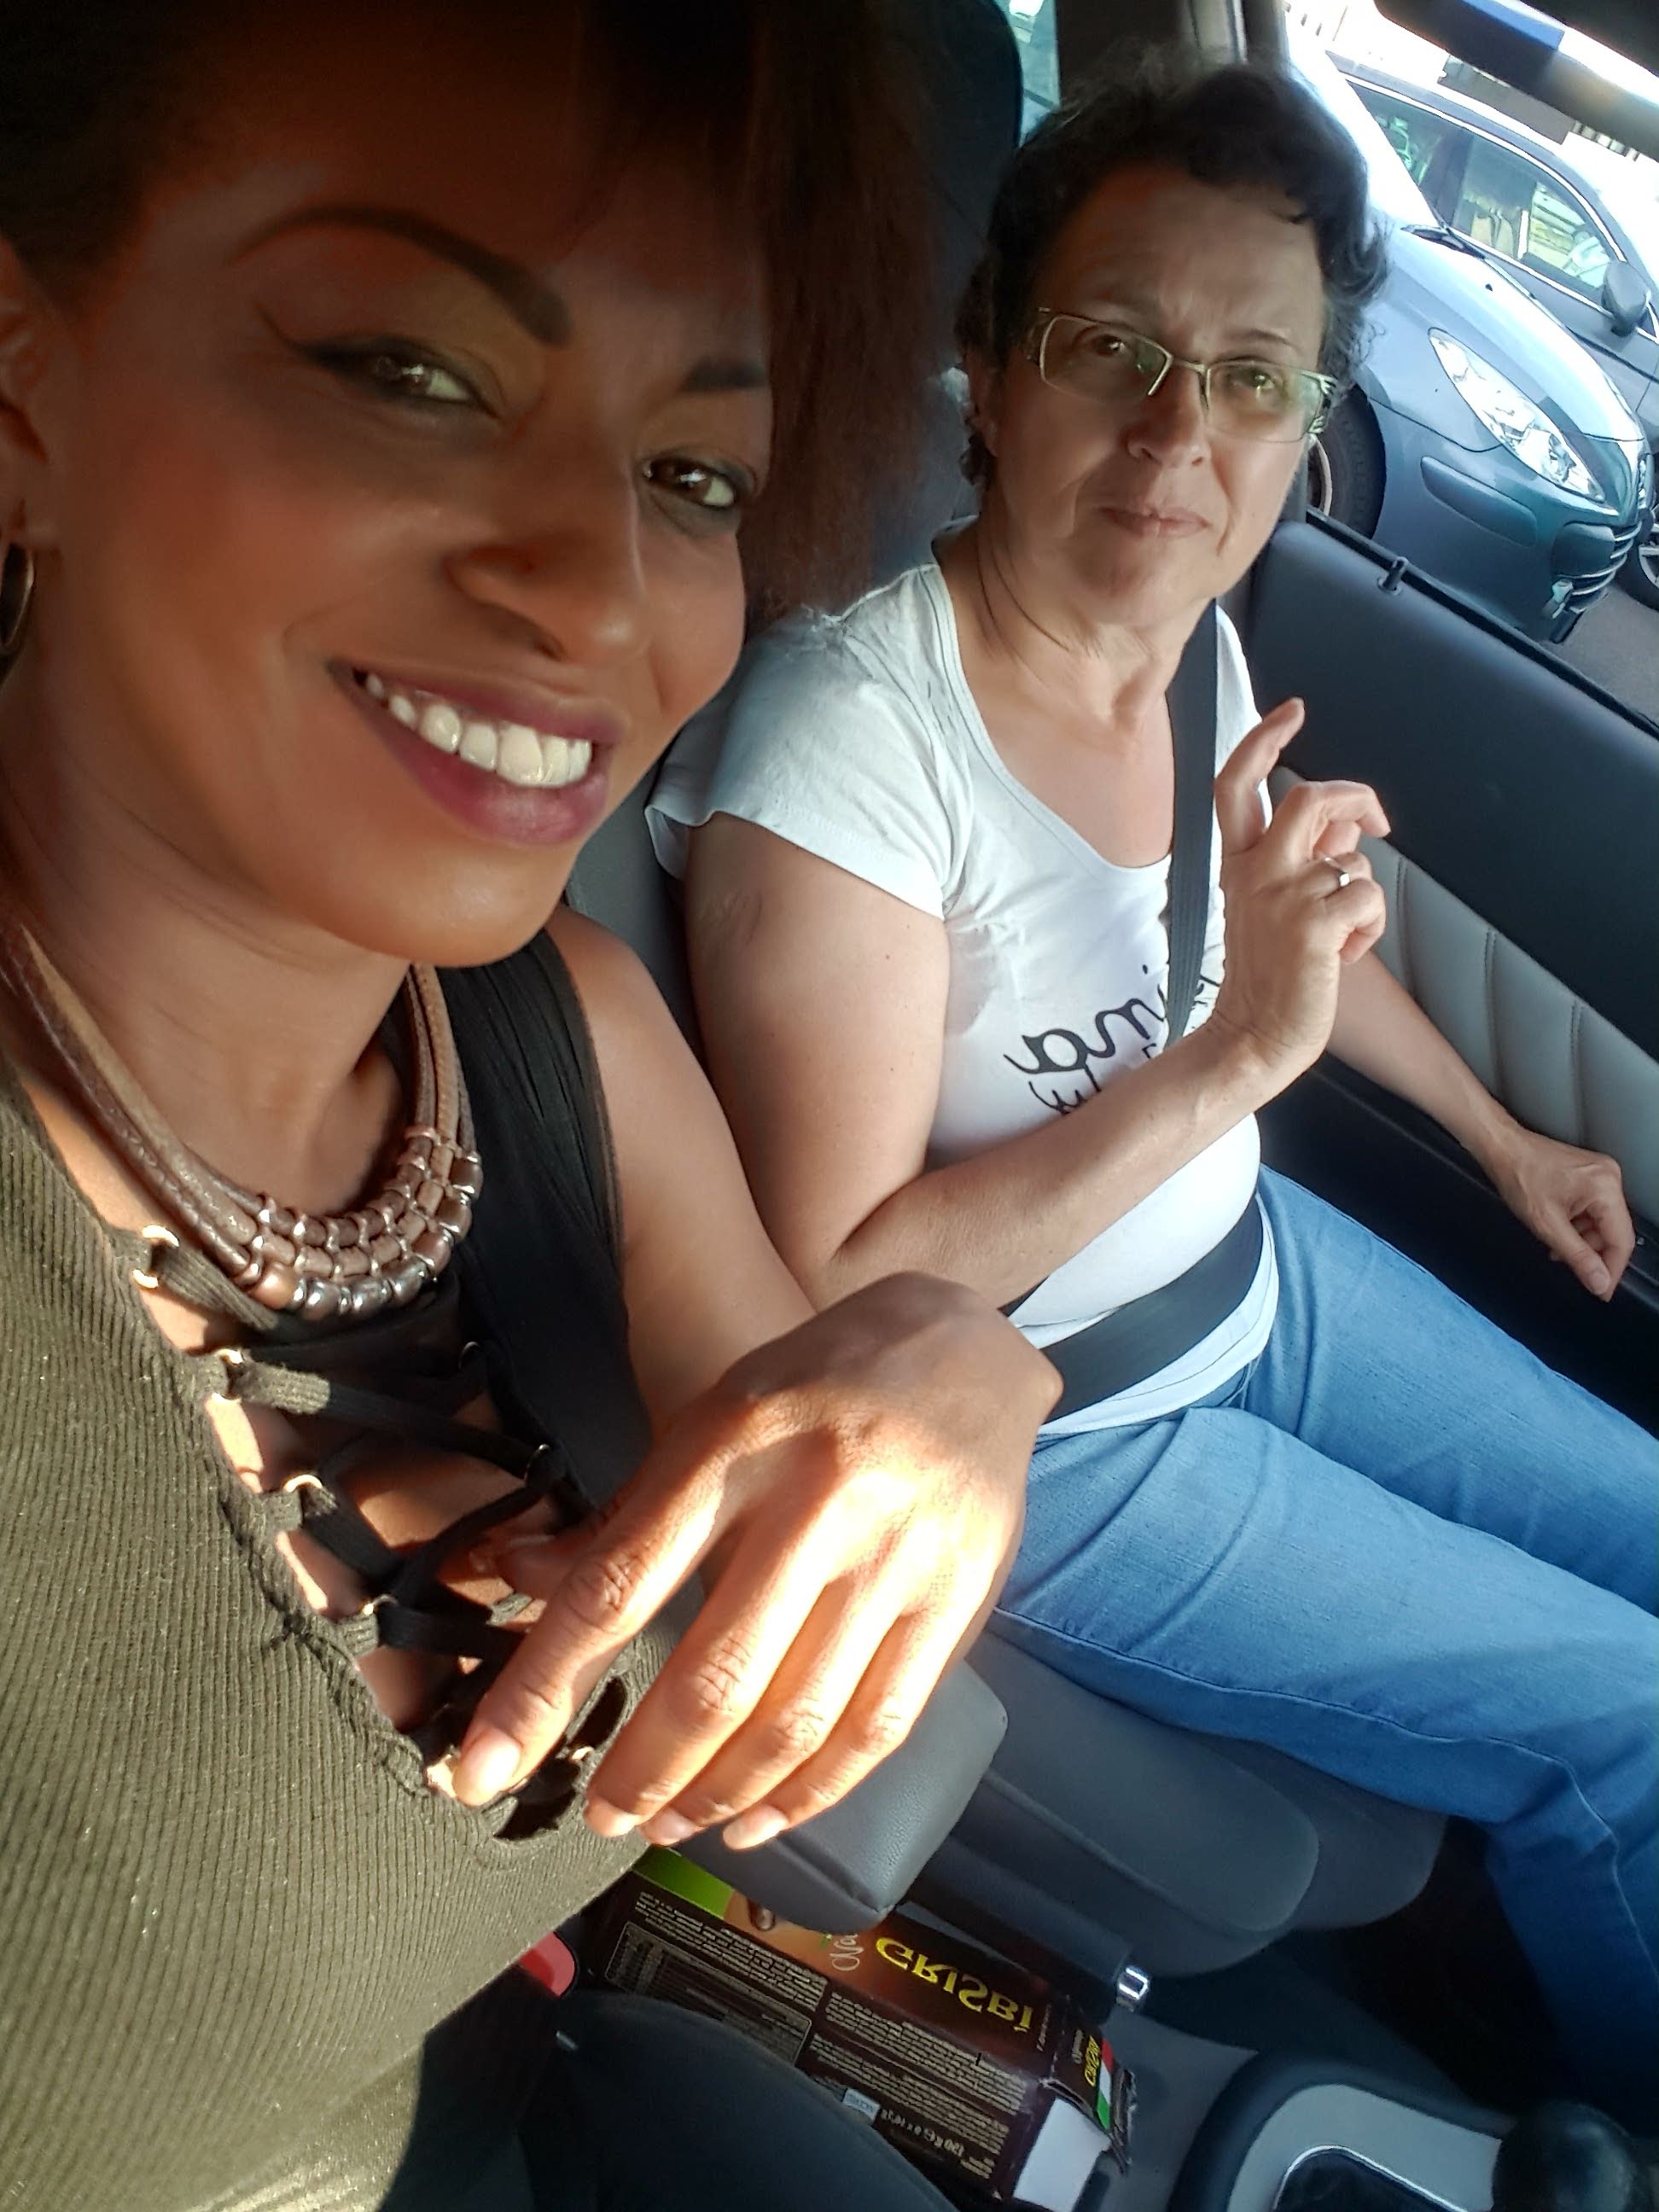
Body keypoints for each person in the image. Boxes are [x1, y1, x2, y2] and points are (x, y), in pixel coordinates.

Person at [0, 4, 1062, 2206]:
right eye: (411, 369)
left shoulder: (565, 1038)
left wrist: (962, 1383)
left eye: (694, 478)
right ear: (28, 391)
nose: (600, 591)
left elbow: (831, 1495)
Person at [655, 55, 1659, 2123]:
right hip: (1076, 1433)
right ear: (992, 364)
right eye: (1113, 350)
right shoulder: (850, 753)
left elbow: (1276, 941)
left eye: (1253, 379)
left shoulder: (1183, 638)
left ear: (1308, 416)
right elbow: (839, 1279)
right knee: (1630, 1719)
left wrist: (1500, 1138)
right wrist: (1233, 1063)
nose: (1180, 436)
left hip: (1258, 1279)